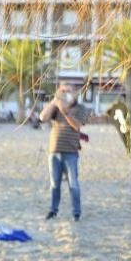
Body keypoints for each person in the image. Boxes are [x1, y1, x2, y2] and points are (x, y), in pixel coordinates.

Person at [40, 82, 88, 221]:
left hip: (71, 152)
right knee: (54, 184)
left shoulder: (81, 108)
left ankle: (76, 213)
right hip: (54, 151)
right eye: (63, 91)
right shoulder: (56, 107)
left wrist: (65, 112)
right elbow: (42, 118)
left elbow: (77, 126)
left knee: (73, 184)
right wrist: (54, 102)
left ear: (75, 93)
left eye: (69, 91)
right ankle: (53, 210)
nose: (66, 93)